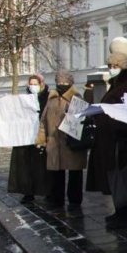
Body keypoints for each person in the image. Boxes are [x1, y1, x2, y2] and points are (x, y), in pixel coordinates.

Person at [85, 38, 127, 229]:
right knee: (117, 176)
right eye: (109, 65)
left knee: (124, 176)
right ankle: (121, 212)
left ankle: (125, 213)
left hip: (124, 140)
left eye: (115, 65)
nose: (111, 68)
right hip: (115, 138)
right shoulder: (121, 82)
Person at [34, 69, 87, 209]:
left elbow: (81, 120)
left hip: (71, 143)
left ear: (70, 83)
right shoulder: (51, 99)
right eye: (59, 82)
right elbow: (43, 121)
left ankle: (75, 201)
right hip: (54, 142)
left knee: (75, 173)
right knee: (56, 173)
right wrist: (41, 140)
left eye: (65, 82)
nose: (62, 84)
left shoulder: (76, 98)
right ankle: (56, 199)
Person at [8, 73, 53, 204]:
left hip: (41, 136)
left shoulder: (48, 97)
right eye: (31, 84)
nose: (33, 86)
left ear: (41, 84)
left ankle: (46, 191)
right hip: (26, 136)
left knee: (42, 166)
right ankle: (28, 192)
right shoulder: (24, 99)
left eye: (36, 84)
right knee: (25, 165)